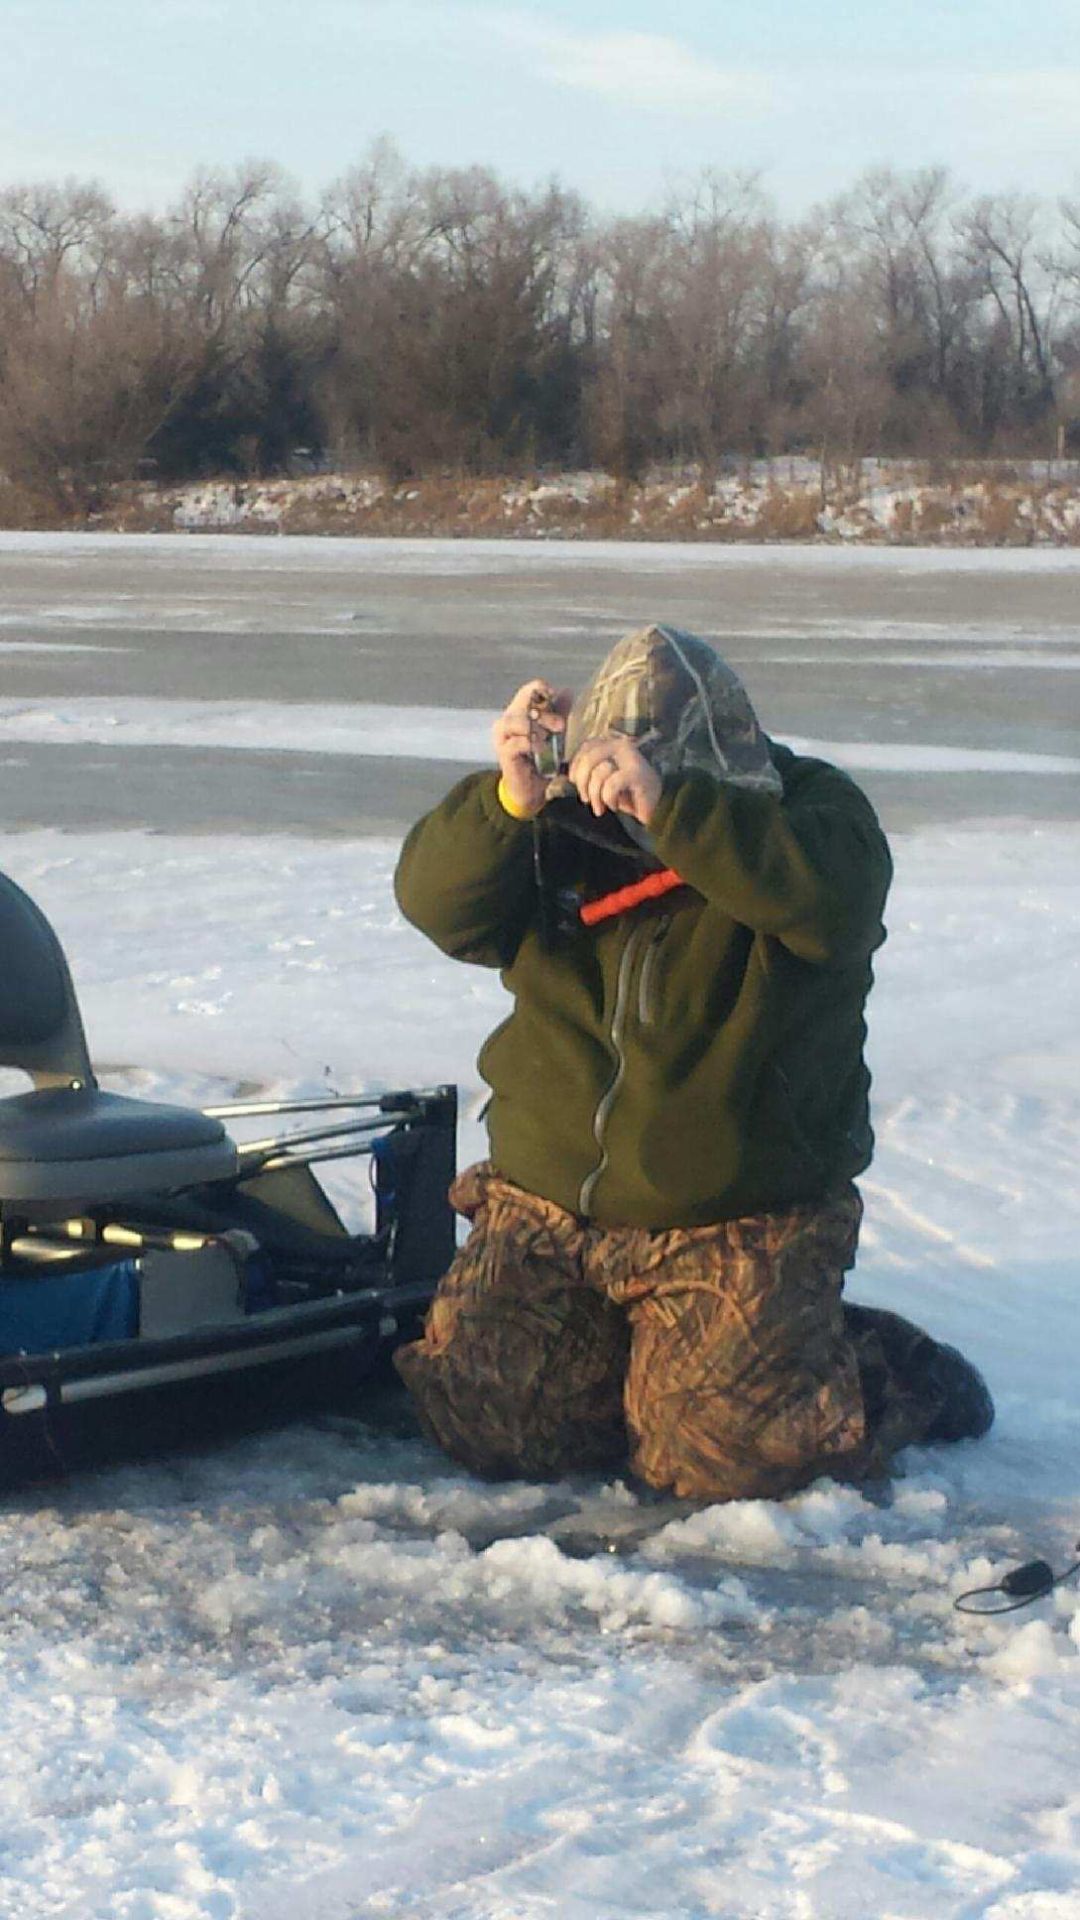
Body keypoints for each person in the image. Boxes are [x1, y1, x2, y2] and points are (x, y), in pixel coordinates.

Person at [392, 624, 993, 1501]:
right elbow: (438, 905)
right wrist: (509, 803)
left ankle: (878, 1369)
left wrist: (677, 812)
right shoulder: (552, 823)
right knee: (488, 1422)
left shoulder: (811, 812)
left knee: (721, 1463)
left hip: (738, 1216)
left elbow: (833, 902)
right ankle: (683, 1363)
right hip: (551, 1207)